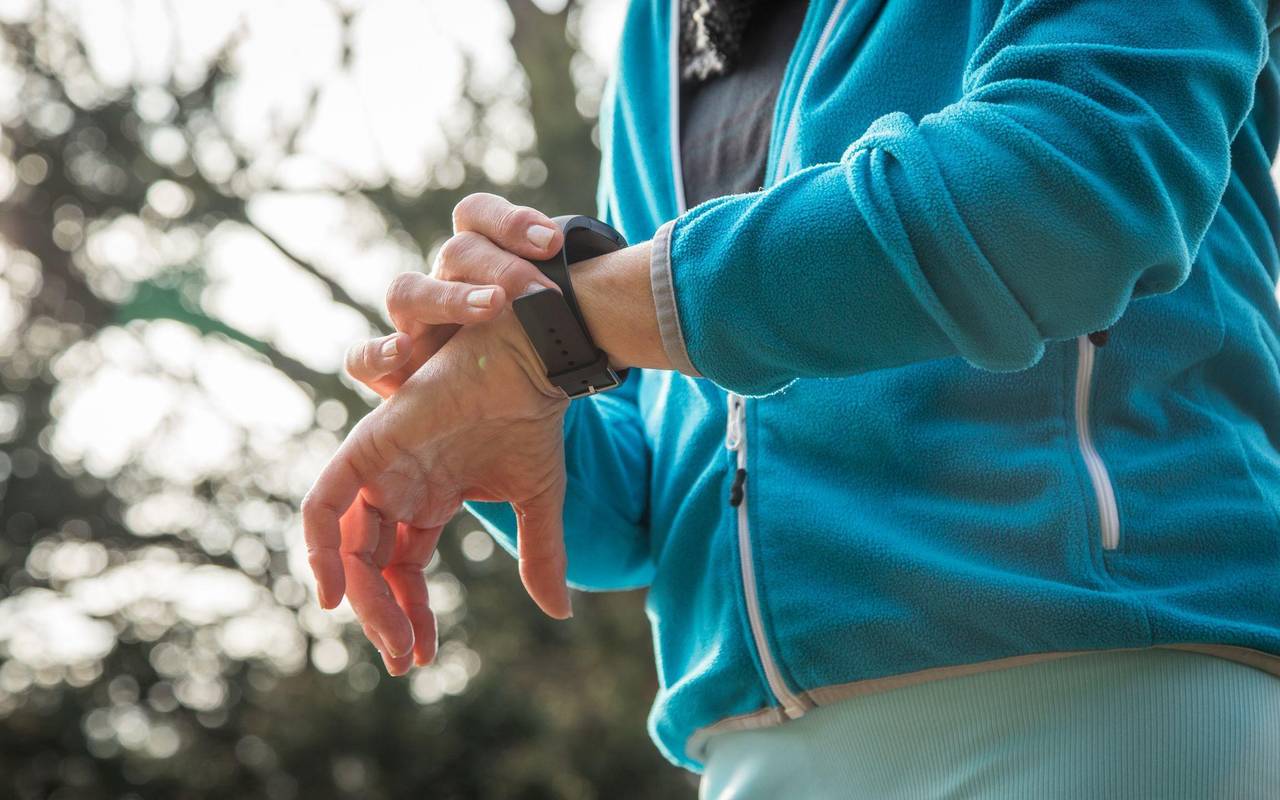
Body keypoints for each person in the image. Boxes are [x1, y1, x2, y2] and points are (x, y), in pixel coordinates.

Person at [303, 0, 1280, 795]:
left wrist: (576, 321)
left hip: (1098, 690)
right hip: (750, 749)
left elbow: (1068, 187)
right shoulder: (662, 24)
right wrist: (505, 403)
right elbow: (667, 479)